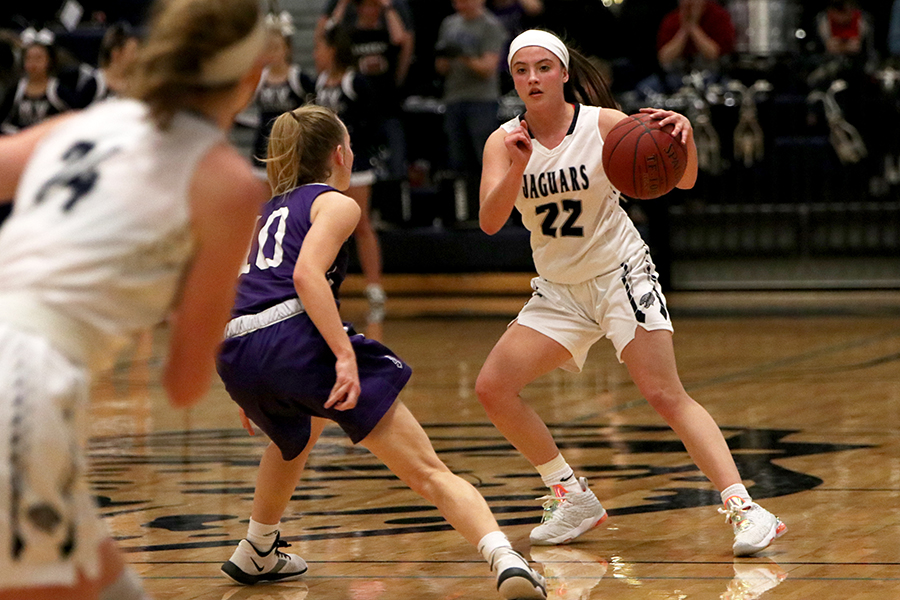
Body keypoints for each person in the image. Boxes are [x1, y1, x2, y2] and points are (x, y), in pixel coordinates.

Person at [215, 104, 547, 600]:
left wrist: (252, 384)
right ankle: (505, 559)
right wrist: (343, 356)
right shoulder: (336, 204)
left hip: (236, 345)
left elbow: (242, 290)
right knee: (427, 470)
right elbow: (306, 277)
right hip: (291, 338)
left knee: (294, 436)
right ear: (340, 154)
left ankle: (258, 547)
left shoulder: (262, 213)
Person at [476, 29, 787, 557]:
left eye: (543, 68)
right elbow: (489, 221)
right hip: (559, 291)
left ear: (564, 72)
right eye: (522, 70)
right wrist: (519, 166)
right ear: (513, 78)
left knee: (664, 393)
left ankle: (746, 508)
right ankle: (571, 495)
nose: (532, 78)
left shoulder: (604, 125)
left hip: (620, 276)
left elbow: (681, 180)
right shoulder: (503, 140)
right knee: (492, 388)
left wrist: (682, 139)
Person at [0, 0, 272, 597]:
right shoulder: (225, 182)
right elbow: (183, 384)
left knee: (112, 583)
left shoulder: (89, 122)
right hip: (23, 378)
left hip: (26, 363)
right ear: (250, 80)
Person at [314, 25, 387, 340]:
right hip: (327, 167)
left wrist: (358, 152)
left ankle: (374, 287)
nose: (316, 53)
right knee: (325, 227)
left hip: (354, 167)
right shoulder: (318, 83)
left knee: (360, 224)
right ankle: (324, 284)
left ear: (333, 50)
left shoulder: (354, 82)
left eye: (320, 47)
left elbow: (373, 119)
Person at [435, 0, 507, 224]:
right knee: (458, 159)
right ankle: (465, 212)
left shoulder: (491, 25)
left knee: (485, 156)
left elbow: (488, 68)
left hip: (481, 100)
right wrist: (448, 58)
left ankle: (497, 212)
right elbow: (440, 67)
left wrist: (463, 56)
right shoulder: (449, 24)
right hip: (454, 97)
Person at [242, 14, 314, 168]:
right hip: (263, 149)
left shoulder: (298, 78)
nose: (272, 53)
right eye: (268, 48)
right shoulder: (259, 78)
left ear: (287, 49)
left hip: (291, 148)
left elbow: (314, 108)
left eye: (276, 48)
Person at [0, 28, 70, 134]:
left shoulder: (57, 90)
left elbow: (74, 118)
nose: (33, 64)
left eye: (38, 58)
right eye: (29, 58)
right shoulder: (16, 90)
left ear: (49, 61)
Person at [657, 0, 735, 82]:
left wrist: (694, 27)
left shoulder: (719, 17)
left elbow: (713, 54)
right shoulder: (671, 19)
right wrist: (684, 30)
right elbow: (664, 58)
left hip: (711, 75)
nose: (689, 3)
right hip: (677, 76)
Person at [70, 22, 141, 108]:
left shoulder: (138, 84)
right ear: (116, 54)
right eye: (133, 52)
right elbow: (77, 116)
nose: (137, 57)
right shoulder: (94, 85)